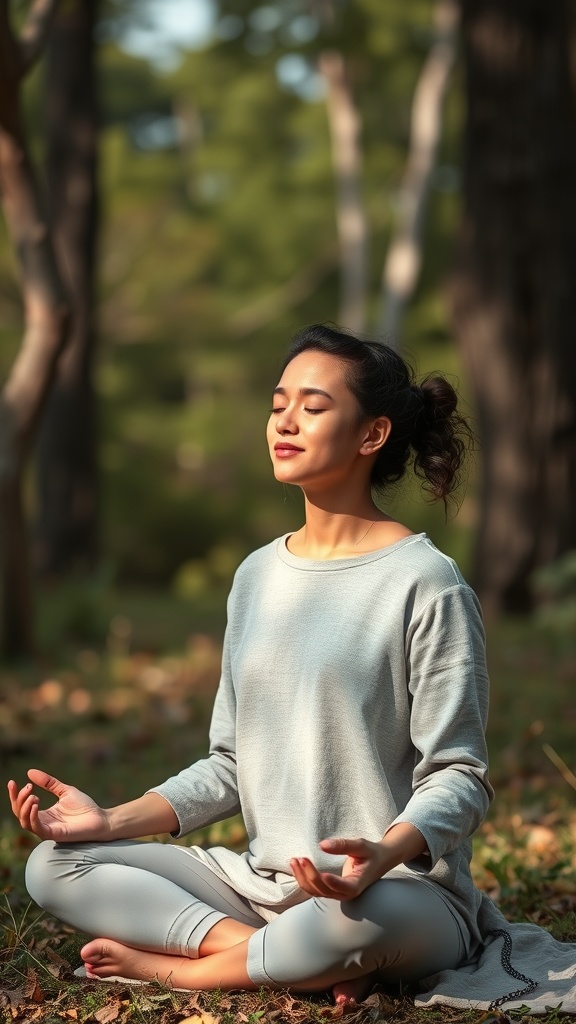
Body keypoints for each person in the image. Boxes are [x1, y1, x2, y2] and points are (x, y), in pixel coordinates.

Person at [8, 323, 494, 1003]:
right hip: (260, 888)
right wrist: (108, 821)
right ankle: (283, 959)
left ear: (372, 434)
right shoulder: (257, 576)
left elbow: (460, 775)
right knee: (54, 868)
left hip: (393, 896)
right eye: (277, 404)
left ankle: (186, 968)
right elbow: (231, 763)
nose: (284, 422)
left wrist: (383, 854)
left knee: (343, 926)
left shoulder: (425, 581)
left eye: (313, 406)